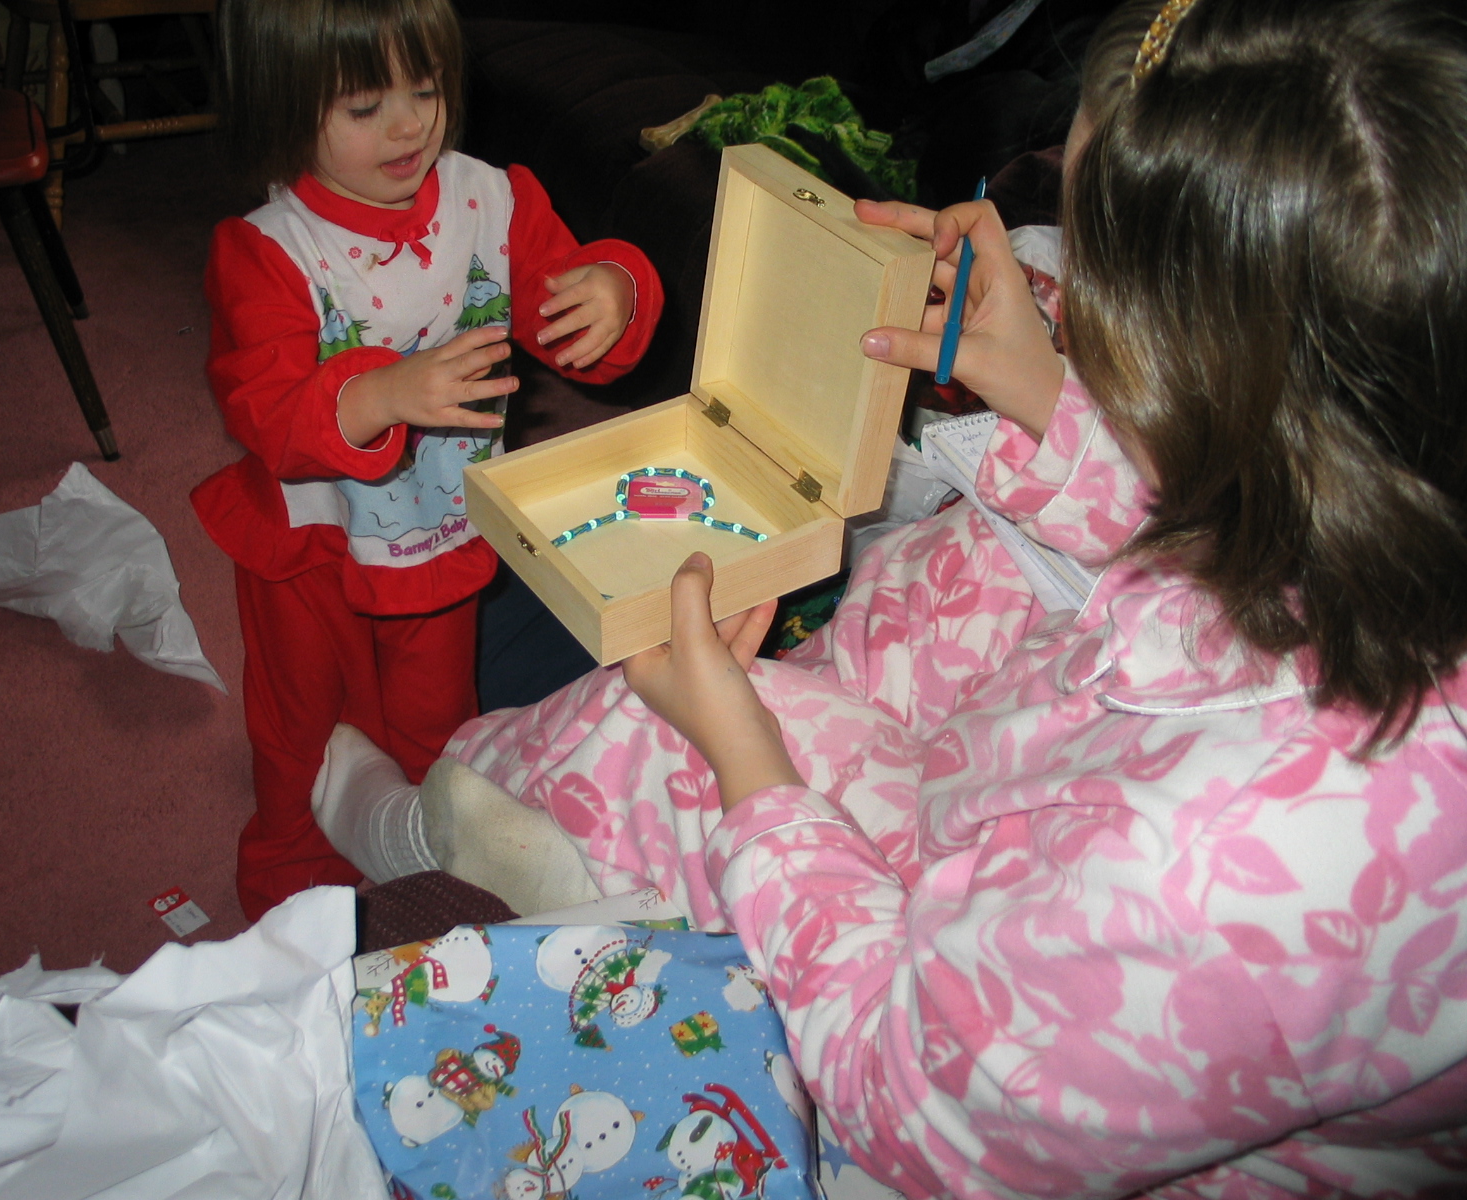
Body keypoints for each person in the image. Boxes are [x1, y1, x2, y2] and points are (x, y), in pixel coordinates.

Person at [318, 0, 1467, 1192]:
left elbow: (910, 1095)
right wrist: (1036, 387)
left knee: (643, 729)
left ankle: (435, 830)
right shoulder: (1382, 493)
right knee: (940, 582)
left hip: (946, 1054)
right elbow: (1241, 536)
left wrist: (744, 756)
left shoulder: (1210, 876)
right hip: (1056, 784)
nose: (1068, 301)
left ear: (1211, 374)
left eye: (1099, 304)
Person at [193, 0, 663, 921]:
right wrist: (382, 395)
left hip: (439, 527)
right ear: (285, 104)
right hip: (310, 544)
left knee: (436, 720)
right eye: (365, 107)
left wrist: (614, 288)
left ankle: (429, 857)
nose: (409, 126)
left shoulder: (491, 198)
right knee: (300, 726)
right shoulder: (269, 248)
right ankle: (292, 884)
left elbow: (566, 310)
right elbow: (264, 407)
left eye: (427, 89)